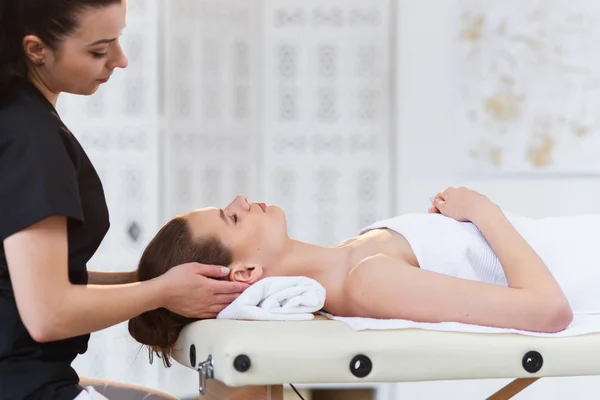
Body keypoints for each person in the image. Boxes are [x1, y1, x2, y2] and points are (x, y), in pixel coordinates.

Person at [0, 1, 249, 399]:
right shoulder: (33, 140)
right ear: (36, 50)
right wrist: (162, 292)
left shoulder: (16, 116)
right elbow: (47, 314)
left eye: (118, 40)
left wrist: (149, 281)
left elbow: (22, 281)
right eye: (99, 49)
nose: (120, 60)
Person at [128, 186, 600, 367]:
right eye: (231, 219)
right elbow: (547, 311)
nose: (239, 200)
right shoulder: (366, 282)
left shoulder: (351, 255)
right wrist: (484, 212)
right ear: (248, 273)